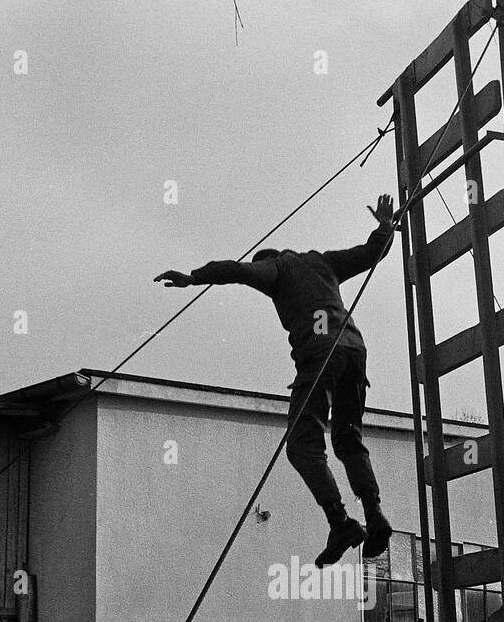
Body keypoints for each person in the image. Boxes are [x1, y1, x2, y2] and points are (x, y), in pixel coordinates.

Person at [155, 194, 396, 567]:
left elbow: (239, 271)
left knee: (302, 445)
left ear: (266, 258)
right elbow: (370, 254)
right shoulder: (323, 262)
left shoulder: (277, 268)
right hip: (354, 349)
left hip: (321, 352)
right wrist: (385, 225)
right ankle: (375, 513)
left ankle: (341, 523)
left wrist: (194, 277)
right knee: (348, 437)